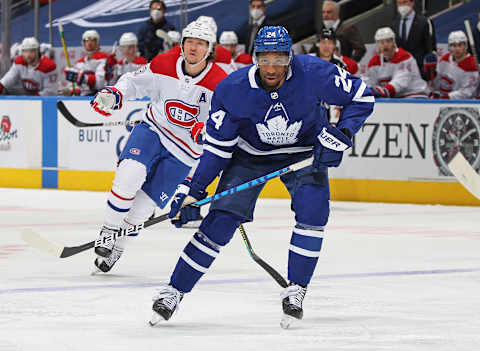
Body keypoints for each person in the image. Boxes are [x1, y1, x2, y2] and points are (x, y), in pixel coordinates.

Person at [149, 26, 374, 328]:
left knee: (314, 212)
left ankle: (296, 289)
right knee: (219, 222)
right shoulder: (232, 90)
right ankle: (174, 290)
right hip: (250, 156)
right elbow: (216, 151)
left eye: (279, 61)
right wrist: (194, 189)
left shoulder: (315, 73)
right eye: (264, 60)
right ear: (254, 58)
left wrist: (342, 133)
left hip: (304, 153)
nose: (271, 69)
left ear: (290, 58)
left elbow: (361, 96)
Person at [89, 20, 227, 274]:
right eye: (189, 41)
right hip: (154, 130)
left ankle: (118, 247)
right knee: (129, 175)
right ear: (182, 43)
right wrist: (115, 93)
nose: (193, 47)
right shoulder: (164, 63)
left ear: (210, 48)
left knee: (143, 209)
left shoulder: (221, 82)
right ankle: (108, 229)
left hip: (184, 152)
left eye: (200, 43)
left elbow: (224, 121)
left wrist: (206, 129)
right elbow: (131, 81)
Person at [365, 27, 428, 98]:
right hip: (395, 98)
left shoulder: (404, 57)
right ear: (378, 45)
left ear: (394, 43)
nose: (385, 45)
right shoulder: (374, 62)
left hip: (415, 94)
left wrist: (383, 91)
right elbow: (370, 82)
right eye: (382, 42)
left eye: (388, 41)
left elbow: (400, 82)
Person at [431, 31, 479, 100]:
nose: (457, 49)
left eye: (460, 45)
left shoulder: (471, 65)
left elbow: (467, 93)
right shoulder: (445, 59)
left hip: (466, 103)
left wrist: (447, 98)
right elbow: (438, 81)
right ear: (449, 47)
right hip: (443, 99)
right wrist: (432, 74)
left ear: (466, 46)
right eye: (453, 45)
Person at [392, 0, 436, 74]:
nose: (402, 6)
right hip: (402, 71)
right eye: (399, 3)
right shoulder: (394, 24)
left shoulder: (424, 22)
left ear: (412, 2)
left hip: (421, 70)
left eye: (405, 2)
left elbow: (430, 48)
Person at [64, 29, 107, 96]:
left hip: (101, 99)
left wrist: (83, 78)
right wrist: (74, 90)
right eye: (86, 40)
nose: (89, 43)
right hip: (83, 99)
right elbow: (74, 84)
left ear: (98, 42)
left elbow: (100, 83)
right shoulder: (79, 63)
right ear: (83, 43)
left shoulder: (105, 59)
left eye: (92, 40)